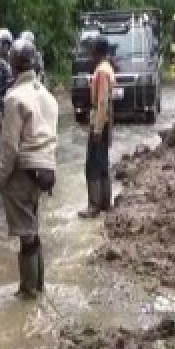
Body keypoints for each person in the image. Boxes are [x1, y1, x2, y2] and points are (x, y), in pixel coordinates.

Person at [0, 39, 58, 300]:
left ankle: (29, 291)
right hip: (46, 171)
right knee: (33, 230)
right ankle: (39, 286)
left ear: (12, 65)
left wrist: (2, 176)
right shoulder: (47, 96)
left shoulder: (14, 98)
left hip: (24, 170)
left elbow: (9, 147)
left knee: (26, 234)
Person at [79, 36, 114, 219]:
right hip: (107, 121)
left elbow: (101, 102)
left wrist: (98, 129)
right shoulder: (108, 69)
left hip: (100, 121)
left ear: (97, 51)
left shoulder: (100, 71)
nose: (90, 53)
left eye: (92, 50)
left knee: (92, 164)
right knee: (103, 163)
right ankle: (105, 202)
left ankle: (94, 205)